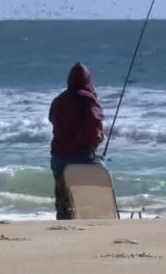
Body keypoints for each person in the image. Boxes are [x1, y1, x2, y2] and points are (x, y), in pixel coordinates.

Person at [48, 62, 104, 219]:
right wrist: (96, 143)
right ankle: (94, 214)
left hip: (58, 158)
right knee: (104, 175)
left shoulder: (58, 100)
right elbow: (95, 131)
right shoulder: (88, 99)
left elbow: (53, 120)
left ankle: (64, 216)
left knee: (63, 196)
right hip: (82, 157)